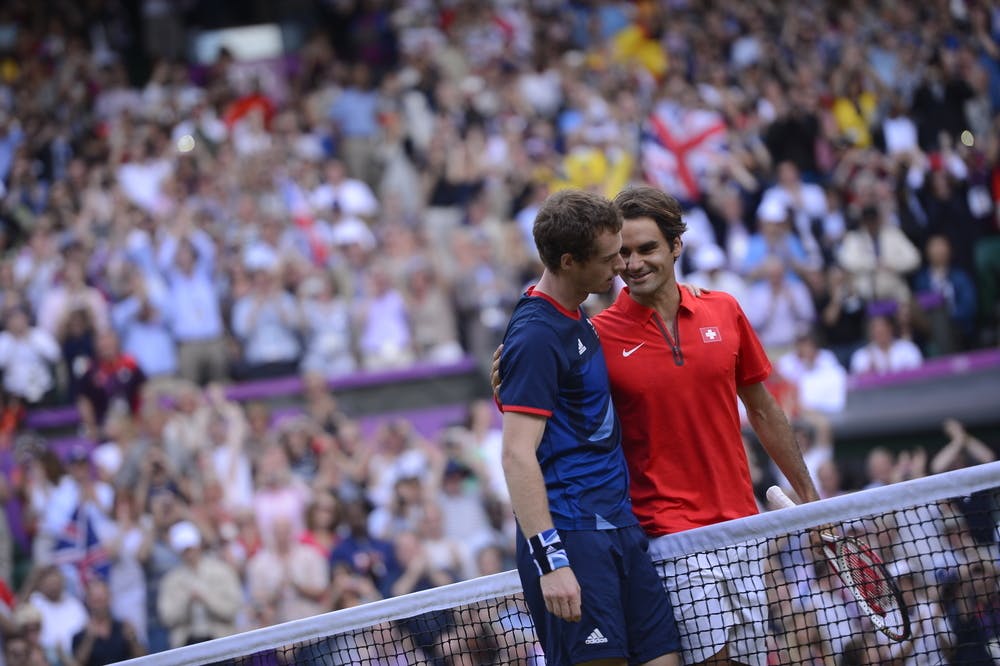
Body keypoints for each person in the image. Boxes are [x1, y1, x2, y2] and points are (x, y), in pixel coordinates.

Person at [494, 185, 818, 666]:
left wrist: (810, 497)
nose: (629, 264)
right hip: (662, 535)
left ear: (676, 246)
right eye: (619, 254)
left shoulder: (723, 310)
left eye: (645, 249)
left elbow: (765, 409)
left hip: (737, 528)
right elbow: (528, 410)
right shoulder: (596, 331)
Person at [496, 189, 681, 666]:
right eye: (608, 257)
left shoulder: (577, 315)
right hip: (573, 537)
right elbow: (517, 455)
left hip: (620, 528)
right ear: (568, 261)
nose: (621, 265)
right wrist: (551, 562)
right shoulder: (536, 336)